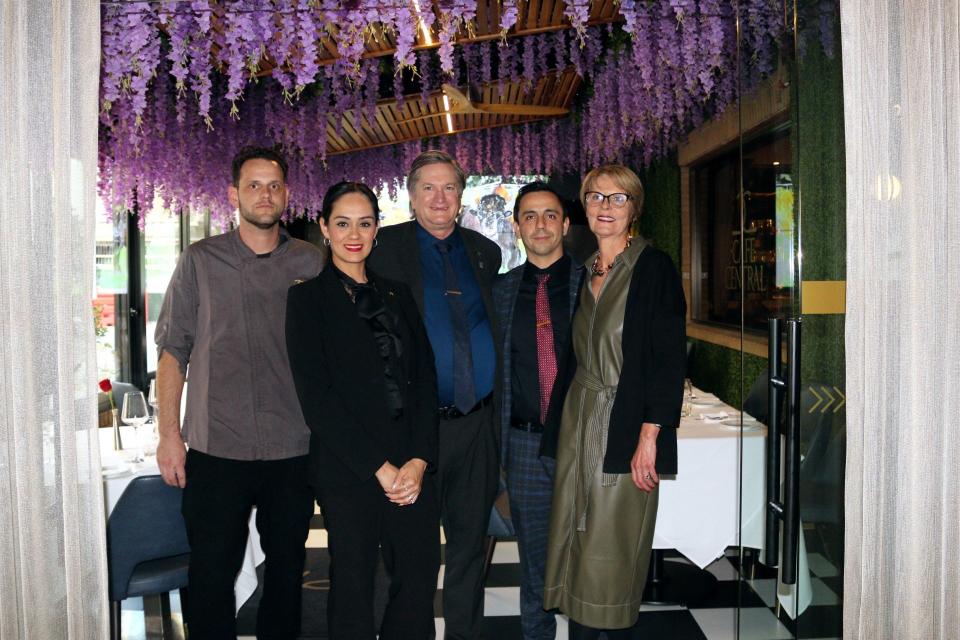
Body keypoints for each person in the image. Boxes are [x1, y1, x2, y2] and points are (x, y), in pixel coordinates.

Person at [154, 146, 324, 638]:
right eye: (253, 185)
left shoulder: (310, 262)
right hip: (215, 447)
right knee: (210, 574)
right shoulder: (200, 261)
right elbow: (172, 352)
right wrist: (170, 435)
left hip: (292, 447)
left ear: (287, 195)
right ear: (233, 195)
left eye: (273, 185)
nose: (264, 194)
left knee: (288, 570)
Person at [285, 181, 440, 639]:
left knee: (417, 578)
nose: (355, 233)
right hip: (349, 467)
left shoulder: (397, 293)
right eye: (343, 223)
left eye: (365, 223)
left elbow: (426, 380)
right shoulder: (306, 300)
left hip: (411, 463)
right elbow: (317, 400)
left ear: (377, 230)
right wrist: (380, 468)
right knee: (353, 585)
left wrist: (418, 459)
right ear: (324, 229)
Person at [540, 164, 686, 638]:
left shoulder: (652, 267)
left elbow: (667, 360)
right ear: (584, 205)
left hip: (621, 425)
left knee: (613, 547)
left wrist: (650, 436)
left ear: (634, 208)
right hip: (577, 421)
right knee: (573, 535)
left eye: (618, 198)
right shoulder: (587, 270)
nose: (605, 207)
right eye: (596, 197)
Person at [369, 150, 501, 639]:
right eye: (429, 188)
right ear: (411, 195)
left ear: (461, 196)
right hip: (413, 431)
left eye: (449, 188)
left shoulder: (485, 252)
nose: (439, 198)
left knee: (470, 546)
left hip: (476, 425)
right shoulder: (382, 250)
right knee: (412, 551)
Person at [492, 182, 585, 639]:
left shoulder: (595, 284)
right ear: (516, 227)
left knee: (591, 559)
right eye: (530, 216)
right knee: (534, 563)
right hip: (526, 444)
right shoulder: (501, 293)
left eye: (550, 214)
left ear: (566, 224)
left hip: (586, 444)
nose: (540, 224)